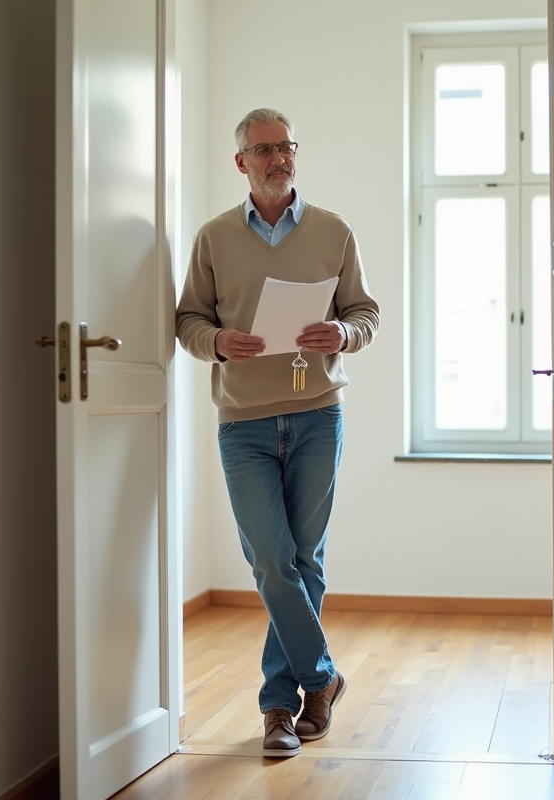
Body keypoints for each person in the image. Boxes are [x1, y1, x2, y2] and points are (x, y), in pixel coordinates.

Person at [175, 108, 380, 758]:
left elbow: (365, 312)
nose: (278, 158)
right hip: (244, 424)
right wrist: (217, 342)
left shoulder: (333, 230)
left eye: (286, 147)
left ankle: (277, 711)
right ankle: (321, 678)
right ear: (241, 162)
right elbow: (187, 322)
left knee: (304, 559)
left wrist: (343, 333)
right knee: (271, 558)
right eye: (263, 149)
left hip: (318, 413)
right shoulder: (213, 239)